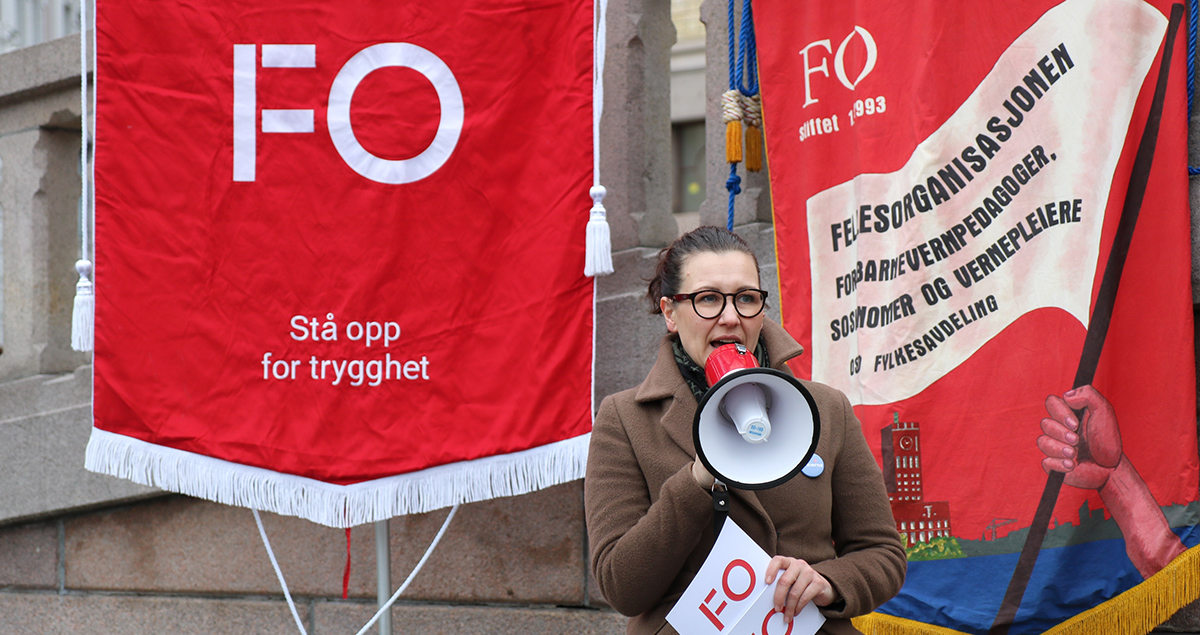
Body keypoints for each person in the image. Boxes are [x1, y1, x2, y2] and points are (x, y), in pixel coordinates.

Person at [585, 226, 906, 635]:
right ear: (670, 312)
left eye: (746, 298)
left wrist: (827, 582)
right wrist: (696, 482)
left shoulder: (827, 409)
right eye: (707, 300)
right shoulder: (624, 419)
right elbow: (621, 587)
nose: (731, 317)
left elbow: (882, 553)